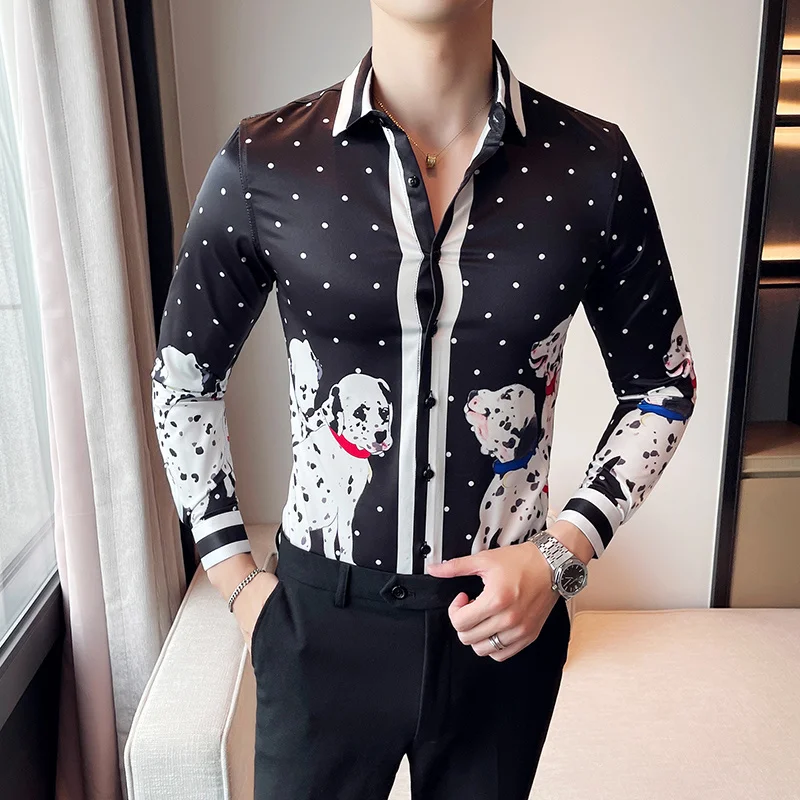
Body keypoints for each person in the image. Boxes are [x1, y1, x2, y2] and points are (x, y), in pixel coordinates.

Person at [150, 1, 698, 797]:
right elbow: (183, 380)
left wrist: (563, 556)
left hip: (504, 635)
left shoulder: (591, 163)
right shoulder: (266, 160)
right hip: (317, 629)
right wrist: (237, 585)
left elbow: (662, 383)